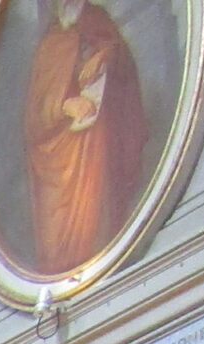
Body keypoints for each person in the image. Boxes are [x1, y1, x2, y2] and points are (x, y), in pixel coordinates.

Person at [23, 0, 146, 275]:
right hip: (55, 163)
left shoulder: (98, 21)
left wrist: (104, 56)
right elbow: (34, 116)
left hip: (92, 148)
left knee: (96, 227)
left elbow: (122, 70)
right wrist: (64, 105)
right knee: (57, 254)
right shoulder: (50, 42)